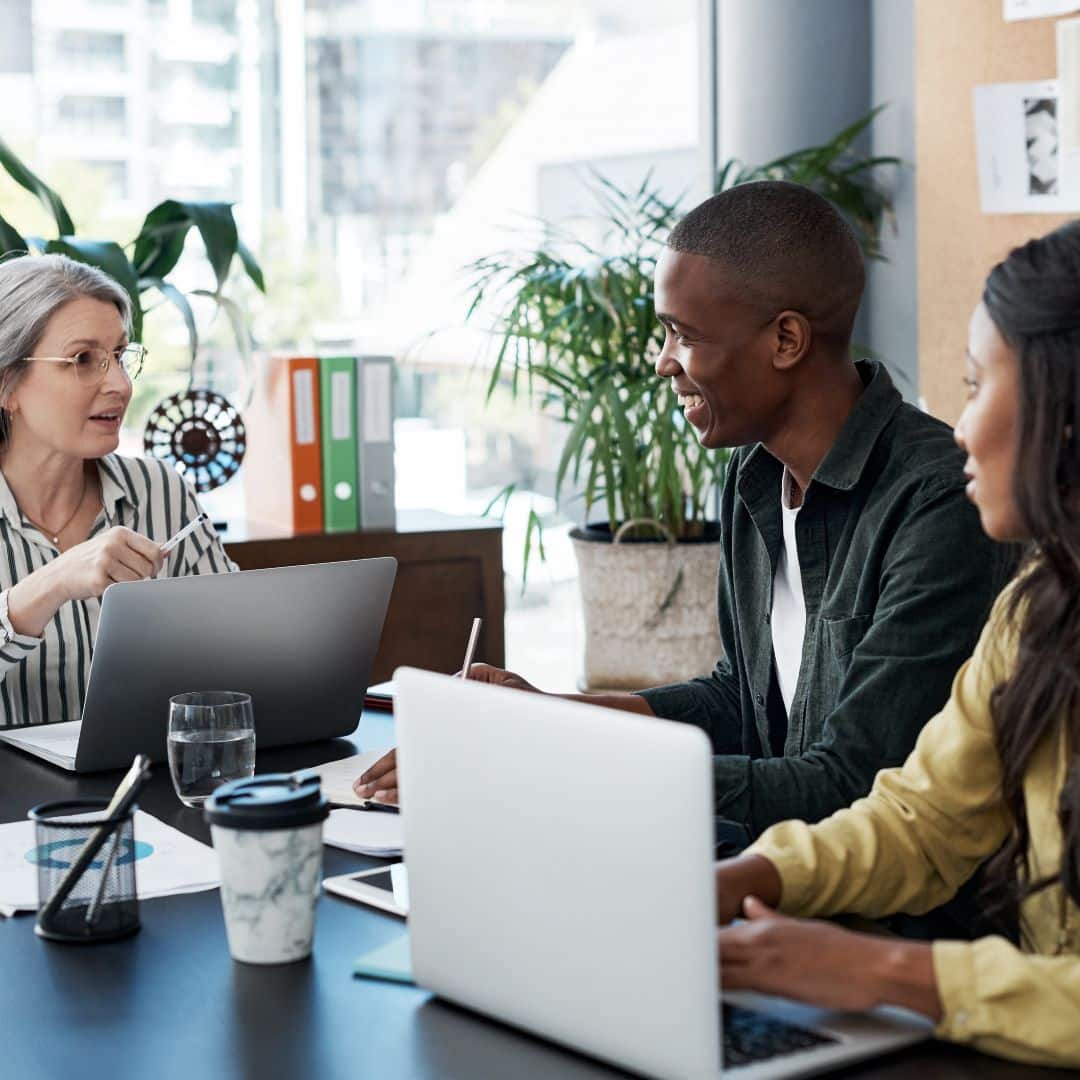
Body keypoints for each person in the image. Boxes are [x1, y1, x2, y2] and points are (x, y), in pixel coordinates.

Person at [356, 182, 1011, 854]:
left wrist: (549, 752)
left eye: (682, 334)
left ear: (786, 339)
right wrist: (542, 714)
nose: (662, 362)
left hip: (888, 924)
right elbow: (739, 704)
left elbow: (851, 786)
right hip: (772, 872)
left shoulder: (939, 501)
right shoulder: (752, 477)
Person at [710, 221, 1080, 1068]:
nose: (959, 428)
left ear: (1066, 414)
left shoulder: (932, 506)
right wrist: (752, 877)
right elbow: (924, 818)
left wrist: (888, 972)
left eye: (977, 386)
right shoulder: (1038, 607)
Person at [0, 254, 234, 728]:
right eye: (83, 360)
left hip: (149, 788)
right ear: (8, 385)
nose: (120, 385)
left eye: (121, 356)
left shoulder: (160, 491)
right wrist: (48, 585)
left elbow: (240, 652)